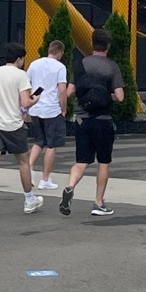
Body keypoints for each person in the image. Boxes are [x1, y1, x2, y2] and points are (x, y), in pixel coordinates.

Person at [59, 27, 124, 217]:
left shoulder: (81, 65)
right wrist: (106, 96)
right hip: (103, 120)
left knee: (81, 161)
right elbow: (120, 96)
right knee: (103, 162)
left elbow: (69, 92)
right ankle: (98, 203)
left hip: (82, 119)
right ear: (108, 46)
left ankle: (70, 186)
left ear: (92, 43)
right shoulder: (112, 67)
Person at [0, 42, 44, 220]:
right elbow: (25, 103)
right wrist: (36, 98)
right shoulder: (21, 76)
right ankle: (28, 199)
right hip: (14, 126)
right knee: (23, 163)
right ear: (19, 59)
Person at [26, 40, 68, 190]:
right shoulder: (60, 67)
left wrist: (27, 104)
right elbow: (62, 90)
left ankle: (29, 169)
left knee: (39, 141)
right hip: (52, 109)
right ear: (60, 52)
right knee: (52, 144)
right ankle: (45, 179)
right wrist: (63, 108)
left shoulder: (35, 64)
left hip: (36, 107)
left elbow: (28, 83)